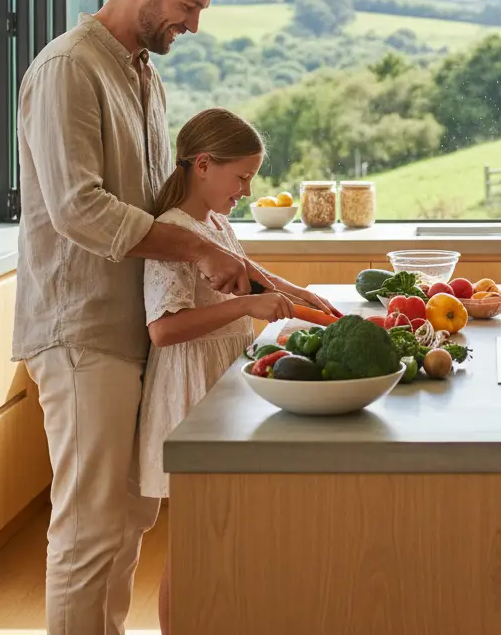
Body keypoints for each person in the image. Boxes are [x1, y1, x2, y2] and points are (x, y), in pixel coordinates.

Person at [12, 0, 322, 634]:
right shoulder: (69, 68)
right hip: (80, 327)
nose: (195, 23)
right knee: (91, 530)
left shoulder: (140, 76)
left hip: (129, 330)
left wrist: (252, 271)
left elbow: (167, 212)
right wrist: (207, 259)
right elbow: (77, 209)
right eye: (189, 5)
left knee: (126, 524)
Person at [137, 108, 334, 634]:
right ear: (203, 165)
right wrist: (246, 309)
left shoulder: (215, 224)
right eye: (241, 176)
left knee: (222, 530)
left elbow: (250, 276)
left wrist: (293, 293)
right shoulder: (173, 232)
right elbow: (163, 329)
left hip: (219, 381)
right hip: (188, 389)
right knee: (192, 539)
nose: (247, 189)